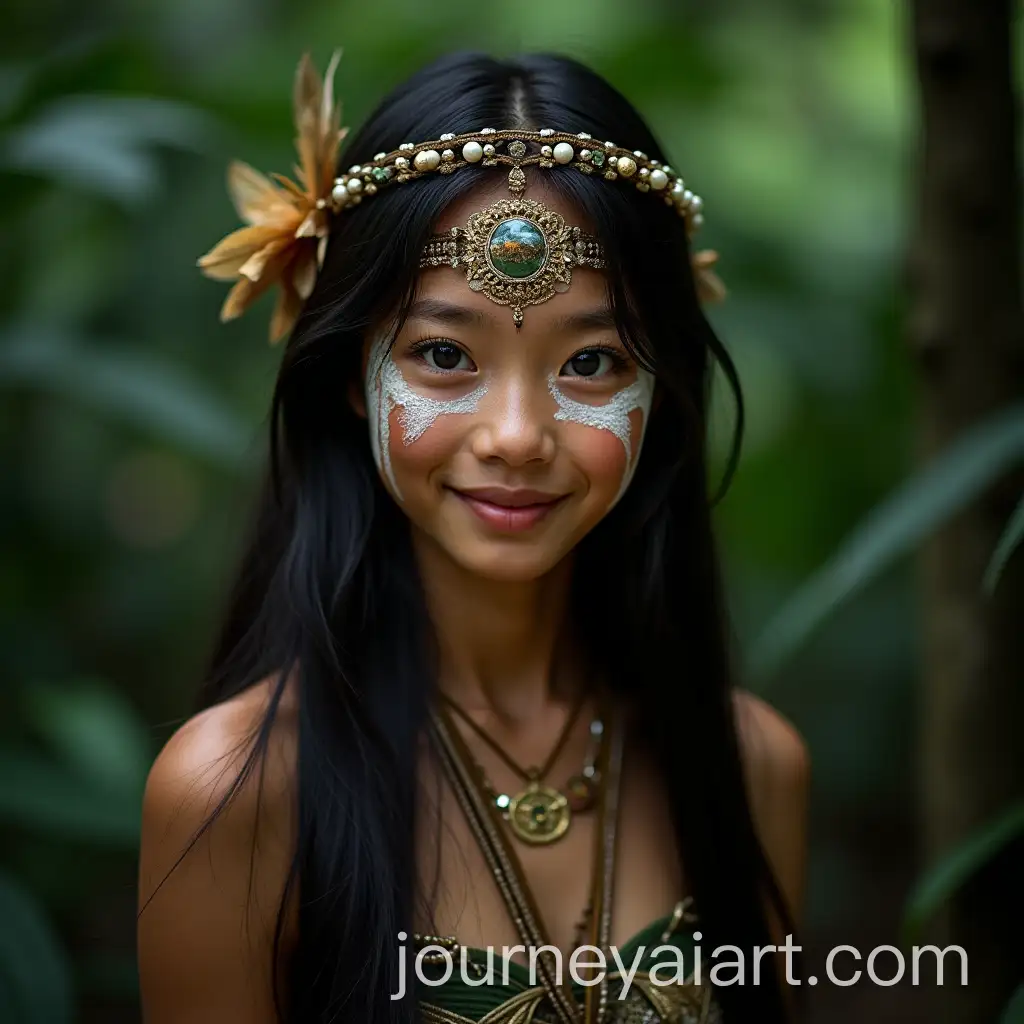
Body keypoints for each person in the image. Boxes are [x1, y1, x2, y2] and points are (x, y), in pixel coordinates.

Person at [136, 49, 809, 1024]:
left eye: (589, 360)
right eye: (444, 355)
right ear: (346, 373)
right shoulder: (233, 794)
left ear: (660, 395)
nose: (516, 436)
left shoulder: (752, 766)